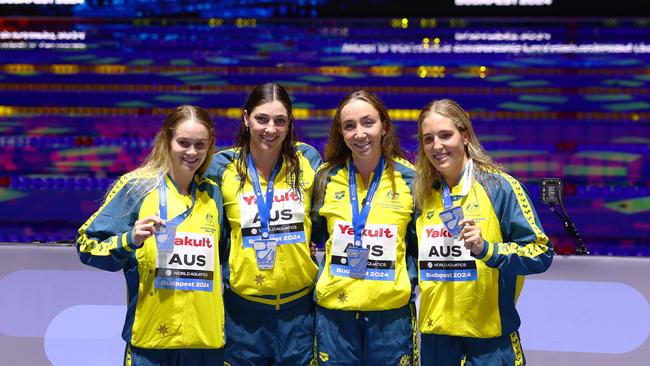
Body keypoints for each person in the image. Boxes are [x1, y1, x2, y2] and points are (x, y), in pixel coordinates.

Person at [76, 105, 226, 365]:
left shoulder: (212, 193)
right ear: (167, 139)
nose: (192, 152)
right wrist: (129, 240)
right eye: (183, 143)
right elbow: (87, 245)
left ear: (210, 144)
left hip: (206, 343)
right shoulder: (137, 186)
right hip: (151, 342)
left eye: (200, 145)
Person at [412, 99, 554, 366]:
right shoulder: (422, 193)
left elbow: (540, 253)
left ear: (464, 135)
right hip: (436, 341)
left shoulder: (499, 187)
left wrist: (487, 250)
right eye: (428, 139)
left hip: (489, 342)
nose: (437, 146)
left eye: (445, 135)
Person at [206, 82, 322, 366]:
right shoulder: (222, 167)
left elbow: (321, 222)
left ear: (289, 123)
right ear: (246, 118)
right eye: (262, 119)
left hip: (300, 313)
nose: (271, 129)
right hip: (244, 314)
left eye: (280, 121)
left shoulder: (308, 159)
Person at [311, 90, 418, 366]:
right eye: (350, 126)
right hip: (336, 316)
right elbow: (315, 235)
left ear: (383, 125)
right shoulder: (326, 178)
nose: (359, 133)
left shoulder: (411, 180)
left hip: (390, 318)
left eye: (367, 122)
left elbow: (419, 246)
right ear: (341, 133)